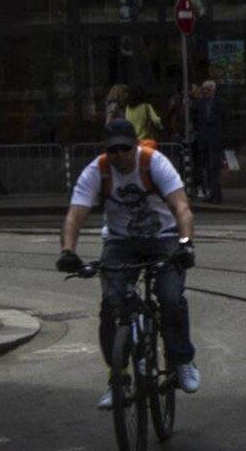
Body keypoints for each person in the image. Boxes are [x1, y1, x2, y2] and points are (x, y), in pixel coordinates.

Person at [55, 119, 198, 407]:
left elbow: (182, 208)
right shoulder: (97, 171)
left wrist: (185, 245)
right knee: (111, 306)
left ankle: (182, 361)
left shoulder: (154, 163)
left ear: (135, 145)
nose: (119, 155)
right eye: (113, 150)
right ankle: (118, 380)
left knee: (170, 298)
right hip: (120, 242)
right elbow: (75, 215)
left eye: (124, 148)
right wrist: (68, 251)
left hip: (164, 237)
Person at [195, 79, 226, 204]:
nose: (206, 92)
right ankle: (211, 194)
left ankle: (217, 195)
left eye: (208, 89)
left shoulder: (220, 103)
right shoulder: (200, 104)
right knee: (207, 169)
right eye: (204, 90)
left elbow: (225, 120)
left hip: (216, 141)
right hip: (204, 141)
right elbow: (197, 120)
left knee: (215, 169)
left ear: (213, 90)